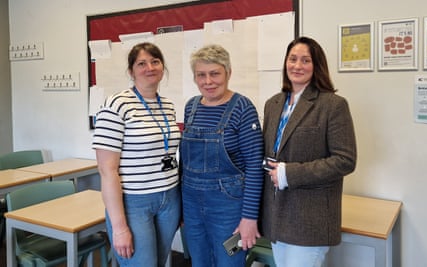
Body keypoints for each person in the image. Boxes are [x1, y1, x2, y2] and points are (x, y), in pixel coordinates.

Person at [260, 37, 357, 267]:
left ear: (317, 66)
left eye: (306, 60)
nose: (297, 66)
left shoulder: (332, 105)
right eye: (292, 59)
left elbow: (345, 160)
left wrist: (289, 174)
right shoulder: (273, 104)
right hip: (276, 217)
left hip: (309, 220)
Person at [92, 42, 181, 267]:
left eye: (155, 61)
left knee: (159, 263)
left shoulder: (168, 106)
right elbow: (107, 170)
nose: (149, 67)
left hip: (169, 198)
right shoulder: (116, 105)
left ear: (163, 67)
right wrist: (120, 227)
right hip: (134, 202)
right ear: (131, 71)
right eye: (141, 63)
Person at [180, 44, 264, 267]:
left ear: (228, 73)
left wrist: (249, 218)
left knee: (230, 260)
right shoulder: (191, 107)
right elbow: (185, 164)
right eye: (201, 75)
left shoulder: (242, 108)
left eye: (215, 73)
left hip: (229, 206)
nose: (208, 81)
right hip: (191, 203)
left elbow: (255, 167)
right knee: (199, 261)